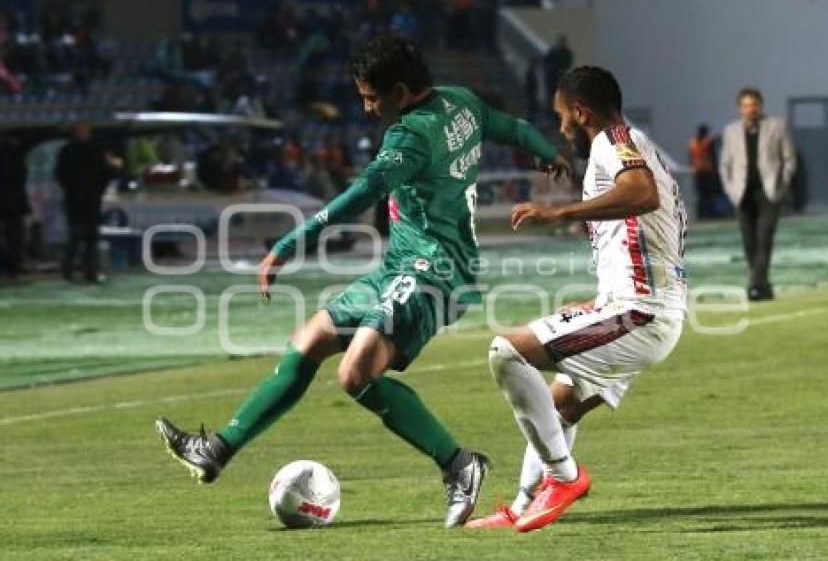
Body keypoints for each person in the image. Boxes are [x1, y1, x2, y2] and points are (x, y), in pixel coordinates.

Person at [155, 33, 568, 528]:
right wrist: (547, 150)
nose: (368, 108)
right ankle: (216, 450)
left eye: (372, 96)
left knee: (355, 374)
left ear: (400, 89)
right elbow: (512, 126)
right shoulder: (461, 102)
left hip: (435, 268)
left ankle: (459, 464)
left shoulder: (410, 136)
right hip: (401, 264)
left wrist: (288, 245)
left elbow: (359, 195)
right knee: (308, 341)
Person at [466, 66, 688, 532]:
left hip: (641, 313)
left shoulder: (614, 142)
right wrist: (601, 301)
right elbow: (645, 236)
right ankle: (525, 505)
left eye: (561, 116)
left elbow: (641, 194)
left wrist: (558, 211)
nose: (561, 126)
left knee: (505, 352)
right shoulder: (639, 146)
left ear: (580, 112)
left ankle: (564, 479)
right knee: (562, 402)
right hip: (640, 308)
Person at [720, 87, 796, 301]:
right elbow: (725, 163)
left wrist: (783, 183)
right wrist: (730, 188)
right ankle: (763, 285)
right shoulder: (731, 131)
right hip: (742, 194)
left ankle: (754, 285)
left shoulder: (777, 126)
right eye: (745, 106)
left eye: (753, 105)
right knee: (749, 242)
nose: (750, 109)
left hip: (769, 192)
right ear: (740, 108)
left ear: (760, 106)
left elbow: (789, 159)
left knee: (764, 238)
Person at [54, 121, 116, 283]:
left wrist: (98, 191)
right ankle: (68, 269)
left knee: (91, 237)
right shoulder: (67, 151)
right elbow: (61, 175)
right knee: (75, 236)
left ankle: (90, 270)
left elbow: (105, 174)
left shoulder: (96, 151)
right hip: (75, 199)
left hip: (91, 200)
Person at [0, 136, 29, 279]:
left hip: (10, 203)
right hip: (15, 204)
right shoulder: (16, 157)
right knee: (15, 237)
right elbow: (22, 177)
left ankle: (9, 266)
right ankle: (14, 267)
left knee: (12, 236)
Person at [688, 124, 722, 219]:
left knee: (701, 194)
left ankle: (702, 213)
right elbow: (712, 156)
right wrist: (716, 170)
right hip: (708, 172)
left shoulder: (693, 143)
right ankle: (710, 213)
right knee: (710, 194)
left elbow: (690, 158)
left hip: (698, 171)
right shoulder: (708, 142)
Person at [543, 35, 574, 108]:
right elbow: (546, 62)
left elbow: (568, 64)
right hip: (551, 76)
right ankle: (550, 108)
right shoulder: (554, 52)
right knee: (551, 94)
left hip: (560, 76)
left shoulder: (566, 53)